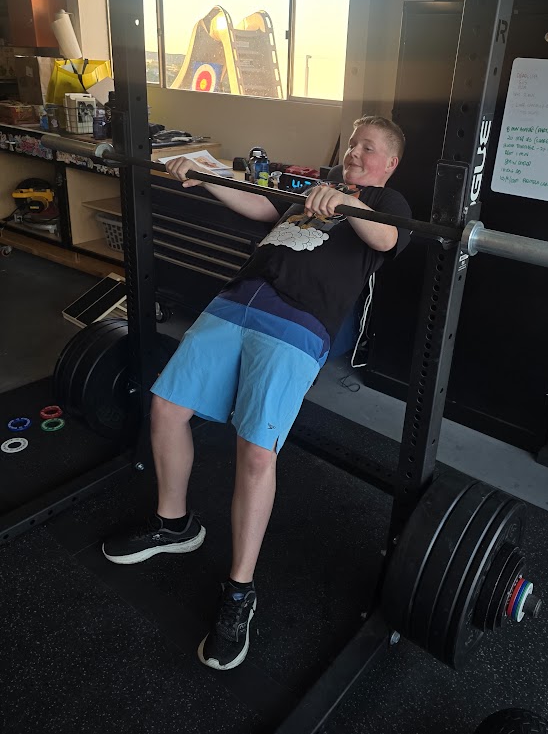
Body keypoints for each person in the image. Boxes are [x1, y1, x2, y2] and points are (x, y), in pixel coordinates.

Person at [101, 115, 412, 672]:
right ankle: (175, 524)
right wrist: (206, 175)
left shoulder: (389, 202)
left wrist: (346, 203)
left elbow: (387, 239)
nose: (356, 153)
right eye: (353, 144)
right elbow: (264, 207)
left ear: (389, 163)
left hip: (298, 325)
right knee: (167, 407)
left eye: (370, 148)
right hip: (236, 301)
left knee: (255, 450)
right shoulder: (314, 183)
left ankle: (239, 589)